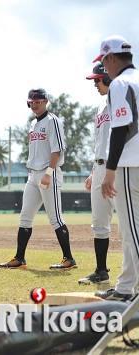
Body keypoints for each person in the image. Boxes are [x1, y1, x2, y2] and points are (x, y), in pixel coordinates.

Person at [0, 88, 76, 270]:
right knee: (25, 216)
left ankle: (69, 259)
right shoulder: (33, 123)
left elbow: (57, 150)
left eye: (38, 101)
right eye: (32, 101)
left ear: (46, 101)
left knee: (55, 217)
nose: (35, 104)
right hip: (33, 175)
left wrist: (49, 173)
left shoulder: (52, 121)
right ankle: (19, 258)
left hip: (49, 173)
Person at [94, 35, 139, 302]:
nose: (104, 66)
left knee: (131, 232)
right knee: (132, 229)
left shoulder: (120, 83)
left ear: (111, 57)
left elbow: (121, 127)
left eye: (103, 60)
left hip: (130, 164)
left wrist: (110, 171)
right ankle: (125, 288)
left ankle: (128, 291)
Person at [78, 64, 115, 285]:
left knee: (130, 223)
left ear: (109, 78)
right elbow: (99, 142)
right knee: (99, 222)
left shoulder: (124, 101)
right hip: (100, 168)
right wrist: (94, 171)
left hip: (119, 168)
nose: (95, 84)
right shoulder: (101, 105)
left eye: (98, 80)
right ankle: (101, 271)